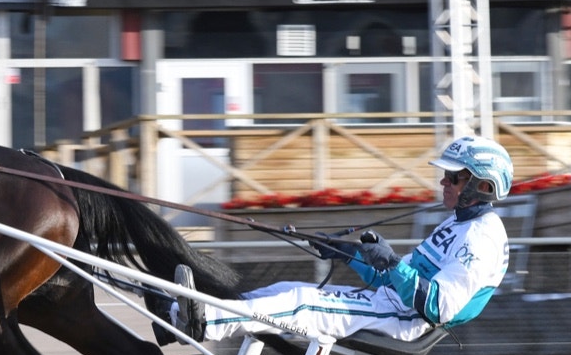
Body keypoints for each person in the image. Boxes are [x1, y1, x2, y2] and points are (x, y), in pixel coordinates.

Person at [171, 134, 514, 344]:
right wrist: (347, 254)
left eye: (453, 178)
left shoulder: (482, 237)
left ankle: (203, 322)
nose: (443, 183)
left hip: (404, 321)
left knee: (300, 305)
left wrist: (392, 262)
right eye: (445, 175)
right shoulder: (457, 224)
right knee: (282, 290)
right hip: (389, 305)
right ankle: (174, 315)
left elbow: (438, 307)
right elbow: (394, 278)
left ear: (483, 186)